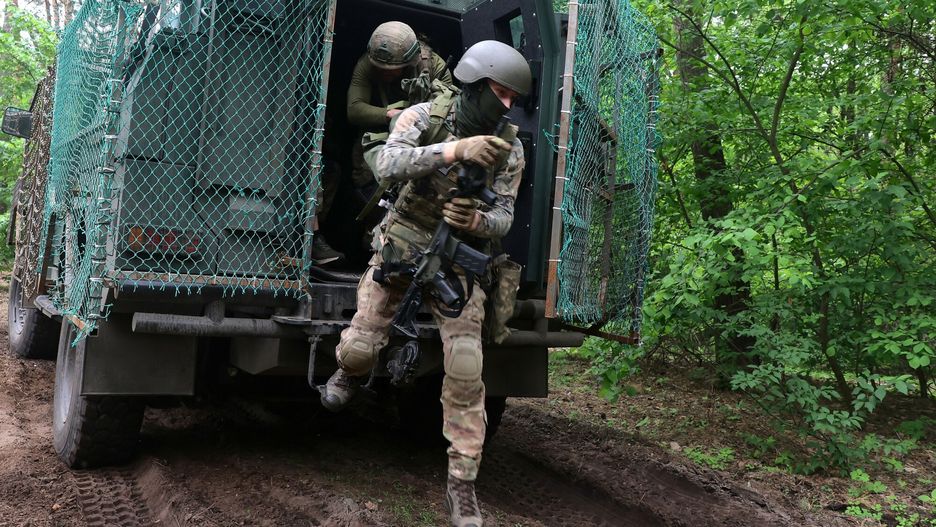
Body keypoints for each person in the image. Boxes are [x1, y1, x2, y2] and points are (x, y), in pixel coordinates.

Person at [322, 40, 531, 527]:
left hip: (458, 257)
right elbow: (389, 165)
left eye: (513, 98)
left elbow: (505, 214)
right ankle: (347, 373)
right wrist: (453, 150)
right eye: (500, 92)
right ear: (474, 83)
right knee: (360, 349)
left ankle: (462, 485)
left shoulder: (510, 148)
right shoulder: (423, 116)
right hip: (404, 242)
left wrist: (477, 220)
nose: (506, 105)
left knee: (466, 367)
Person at [346, 21, 453, 200]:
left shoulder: (434, 67)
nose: (383, 72)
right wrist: (390, 115)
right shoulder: (368, 63)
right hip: (378, 138)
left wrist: (413, 118)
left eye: (392, 69)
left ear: (410, 62)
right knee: (366, 189)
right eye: (379, 68)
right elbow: (354, 109)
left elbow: (446, 118)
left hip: (422, 142)